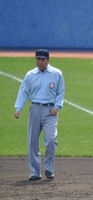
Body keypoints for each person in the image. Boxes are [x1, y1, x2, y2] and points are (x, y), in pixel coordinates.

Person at [14, 49, 66, 181]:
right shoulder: (30, 75)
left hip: (50, 111)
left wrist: (57, 106)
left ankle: (49, 168)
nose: (40, 62)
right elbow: (24, 91)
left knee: (51, 139)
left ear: (48, 60)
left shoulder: (56, 74)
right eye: (38, 59)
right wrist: (18, 108)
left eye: (42, 59)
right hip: (35, 109)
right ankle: (35, 172)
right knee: (32, 141)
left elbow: (60, 92)